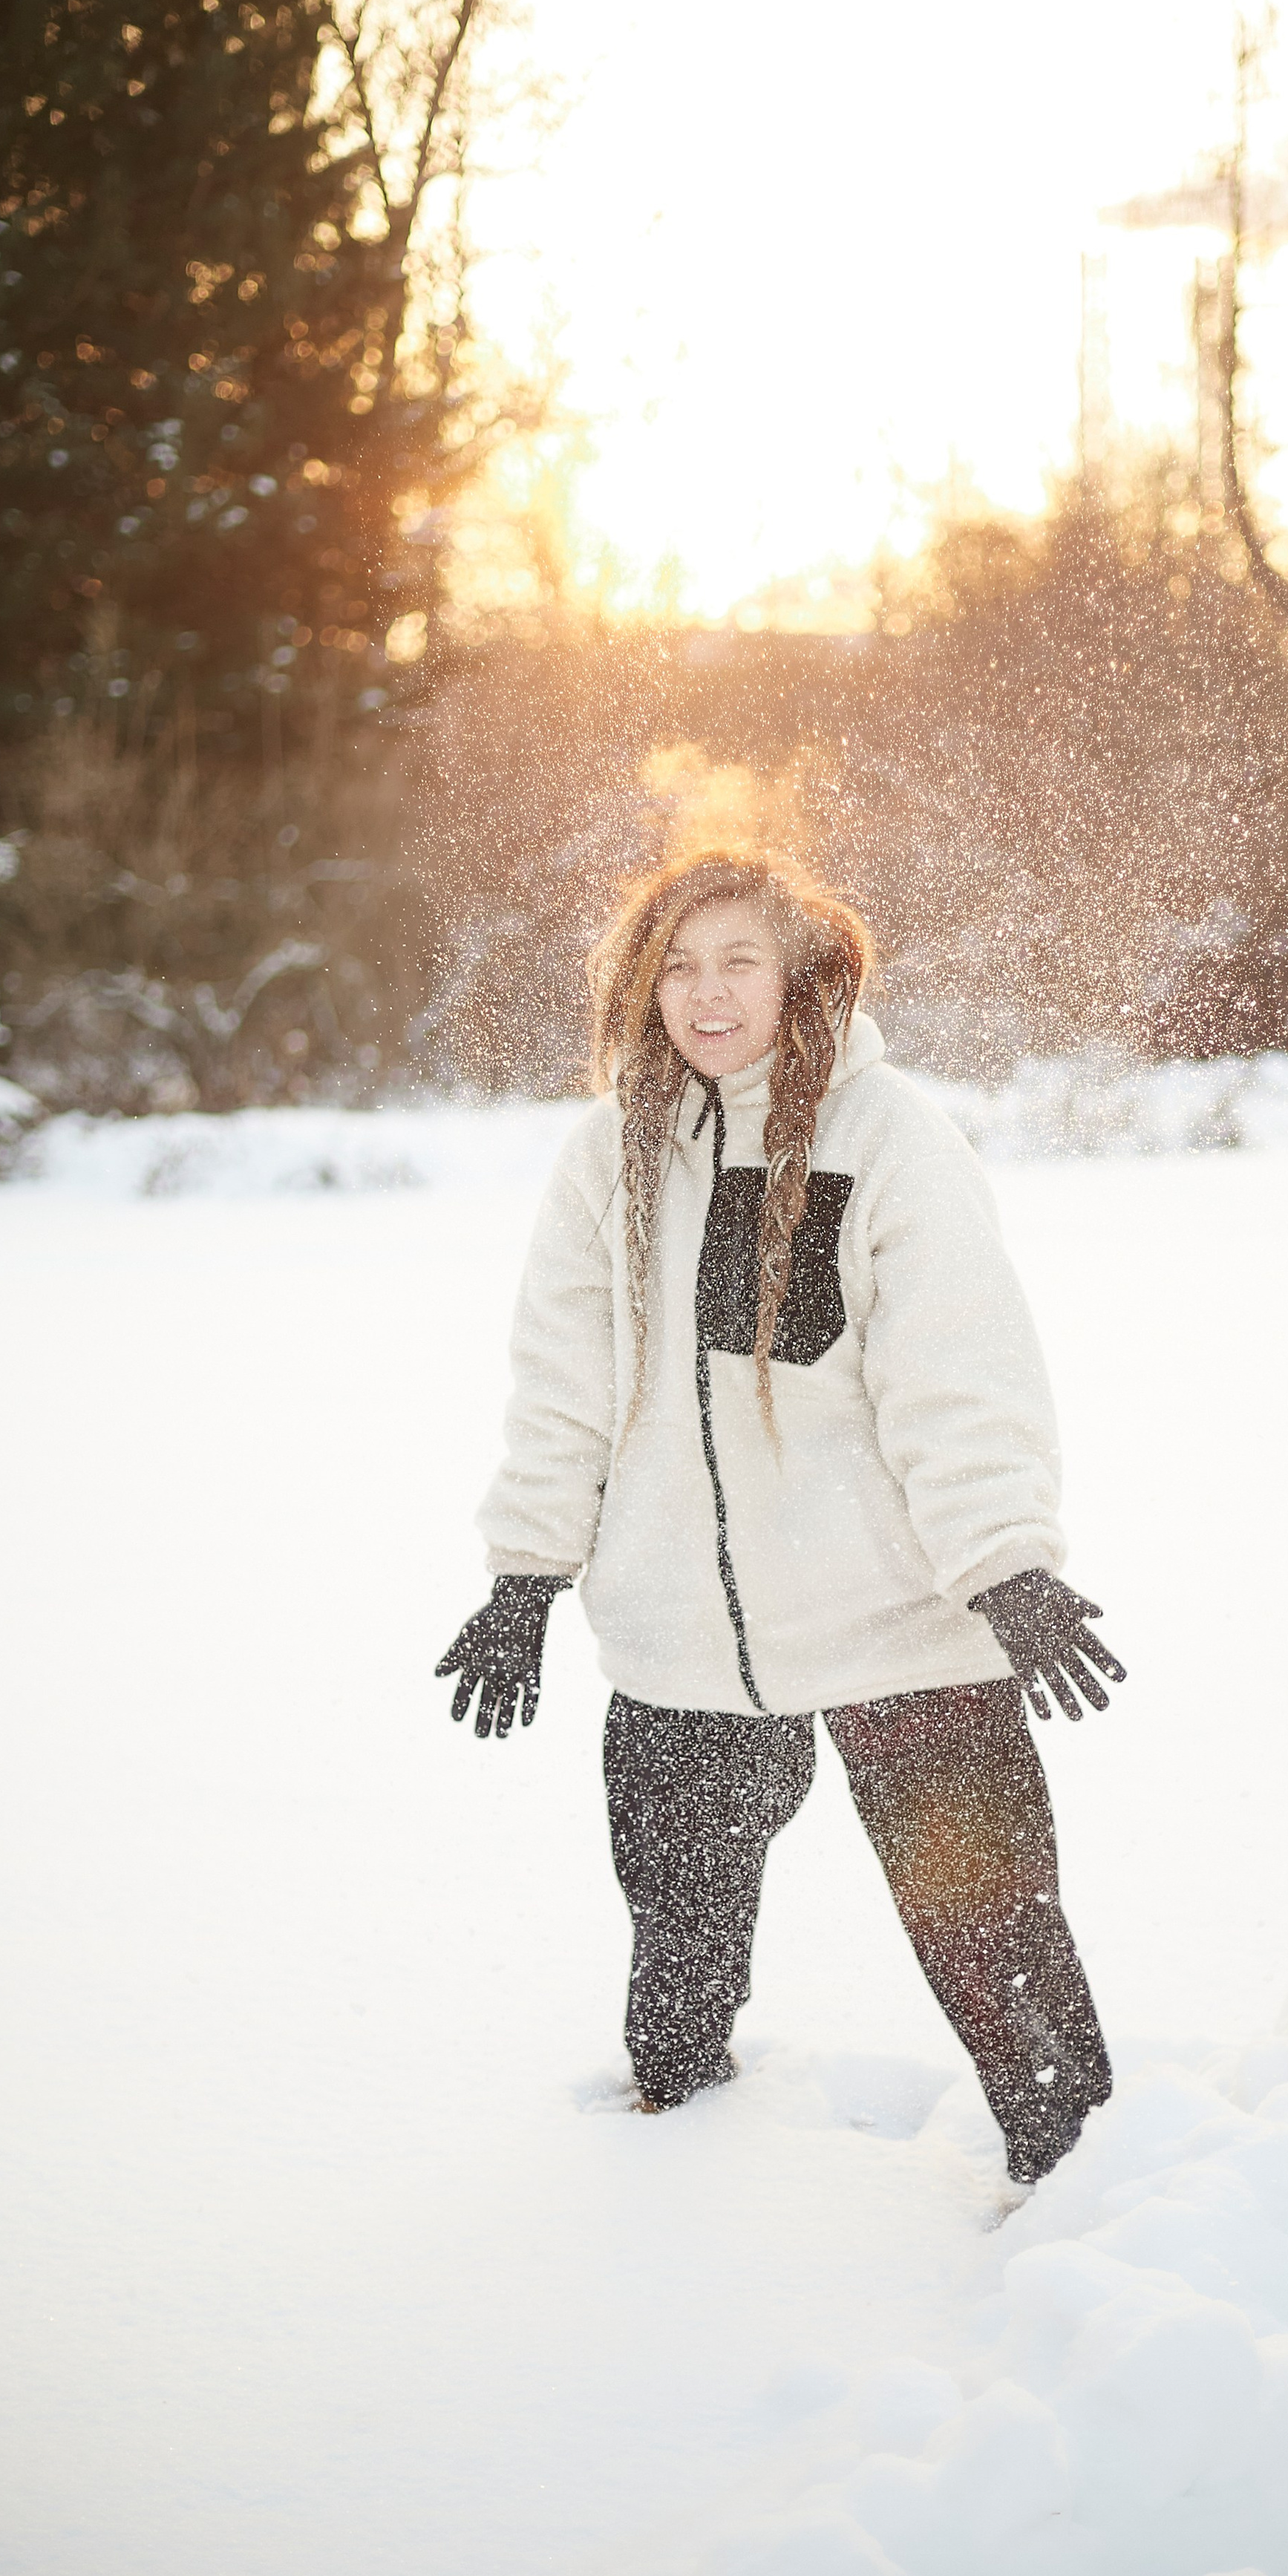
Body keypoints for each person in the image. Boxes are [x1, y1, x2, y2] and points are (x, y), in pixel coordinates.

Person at [437, 849, 1124, 2191]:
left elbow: (959, 1377)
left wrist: (1008, 1566)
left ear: (800, 971)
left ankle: (1089, 2182)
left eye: (738, 960)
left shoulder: (889, 1138)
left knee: (995, 1937)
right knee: (679, 1947)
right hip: (680, 1633)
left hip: (899, 1621)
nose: (706, 994)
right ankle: (676, 2180)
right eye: (677, 966)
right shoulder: (613, 1157)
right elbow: (564, 1381)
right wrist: (527, 1578)